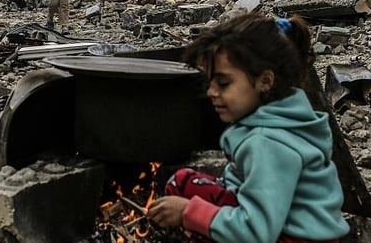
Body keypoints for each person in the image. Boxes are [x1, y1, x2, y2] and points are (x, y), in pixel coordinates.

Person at [148, 14, 349, 243]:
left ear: (265, 81)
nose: (211, 92)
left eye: (223, 83)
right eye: (209, 83)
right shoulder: (284, 118)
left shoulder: (267, 144)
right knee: (184, 182)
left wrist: (187, 212)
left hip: (287, 238)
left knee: (184, 197)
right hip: (281, 229)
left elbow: (257, 233)